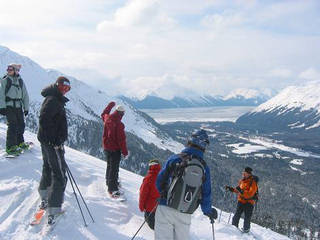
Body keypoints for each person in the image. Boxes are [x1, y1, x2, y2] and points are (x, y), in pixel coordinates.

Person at [155, 129, 217, 240]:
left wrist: (164, 194)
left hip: (166, 207)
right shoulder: (204, 168)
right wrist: (208, 211)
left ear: (190, 141)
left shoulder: (175, 158)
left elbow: (159, 181)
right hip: (186, 211)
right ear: (204, 147)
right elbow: (206, 193)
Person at [37, 76, 71, 224]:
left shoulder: (53, 98)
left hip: (47, 141)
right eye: (63, 87)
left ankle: (45, 198)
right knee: (59, 174)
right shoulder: (53, 100)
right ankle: (54, 209)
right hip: (51, 143)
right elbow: (44, 119)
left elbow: (48, 121)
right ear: (57, 86)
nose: (65, 91)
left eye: (67, 89)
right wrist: (54, 140)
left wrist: (51, 138)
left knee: (48, 167)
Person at [0, 63, 29, 155]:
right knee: (13, 125)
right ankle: (10, 146)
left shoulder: (20, 81)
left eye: (11, 69)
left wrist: (26, 107)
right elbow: (1, 94)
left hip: (18, 106)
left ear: (16, 71)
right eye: (8, 69)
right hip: (9, 106)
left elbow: (25, 95)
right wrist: (2, 107)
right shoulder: (5, 80)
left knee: (21, 124)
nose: (8, 71)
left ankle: (20, 142)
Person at [101, 101, 128, 198]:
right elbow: (121, 140)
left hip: (106, 147)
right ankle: (112, 189)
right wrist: (125, 152)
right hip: (115, 149)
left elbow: (104, 114)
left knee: (109, 166)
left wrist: (110, 105)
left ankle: (109, 182)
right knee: (114, 168)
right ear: (122, 113)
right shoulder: (119, 125)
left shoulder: (108, 118)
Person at [225, 166, 258, 233]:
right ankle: (234, 229)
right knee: (236, 216)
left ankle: (246, 232)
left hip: (249, 203)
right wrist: (231, 189)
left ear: (249, 174)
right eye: (243, 172)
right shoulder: (242, 181)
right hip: (241, 201)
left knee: (247, 218)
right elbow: (238, 190)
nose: (243, 174)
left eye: (245, 173)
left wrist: (241, 191)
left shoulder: (253, 183)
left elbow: (250, 194)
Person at [139, 159, 161, 230]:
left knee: (153, 227)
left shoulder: (149, 178)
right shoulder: (163, 176)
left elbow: (143, 193)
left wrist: (141, 206)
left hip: (150, 209)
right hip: (161, 208)